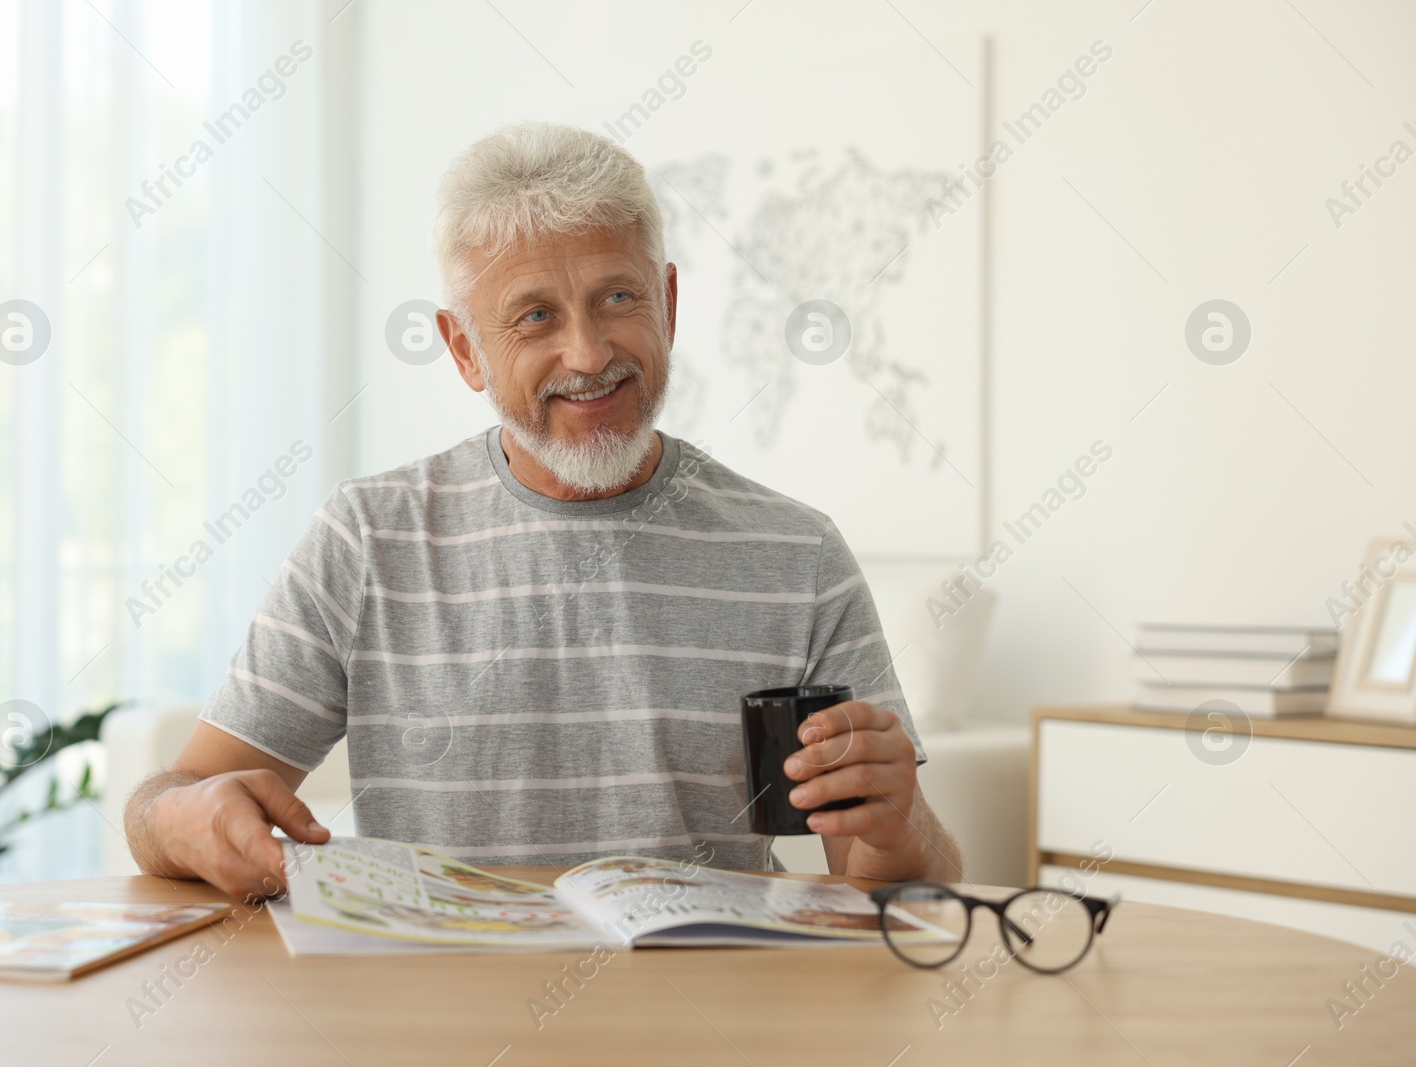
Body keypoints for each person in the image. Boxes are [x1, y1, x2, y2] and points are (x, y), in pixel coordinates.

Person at [125, 121, 963, 899]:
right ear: (465, 349)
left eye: (618, 300)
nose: (589, 354)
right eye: (536, 316)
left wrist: (903, 821)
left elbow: (897, 889)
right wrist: (179, 818)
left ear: (669, 304)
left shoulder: (799, 553)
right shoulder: (368, 539)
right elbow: (168, 801)